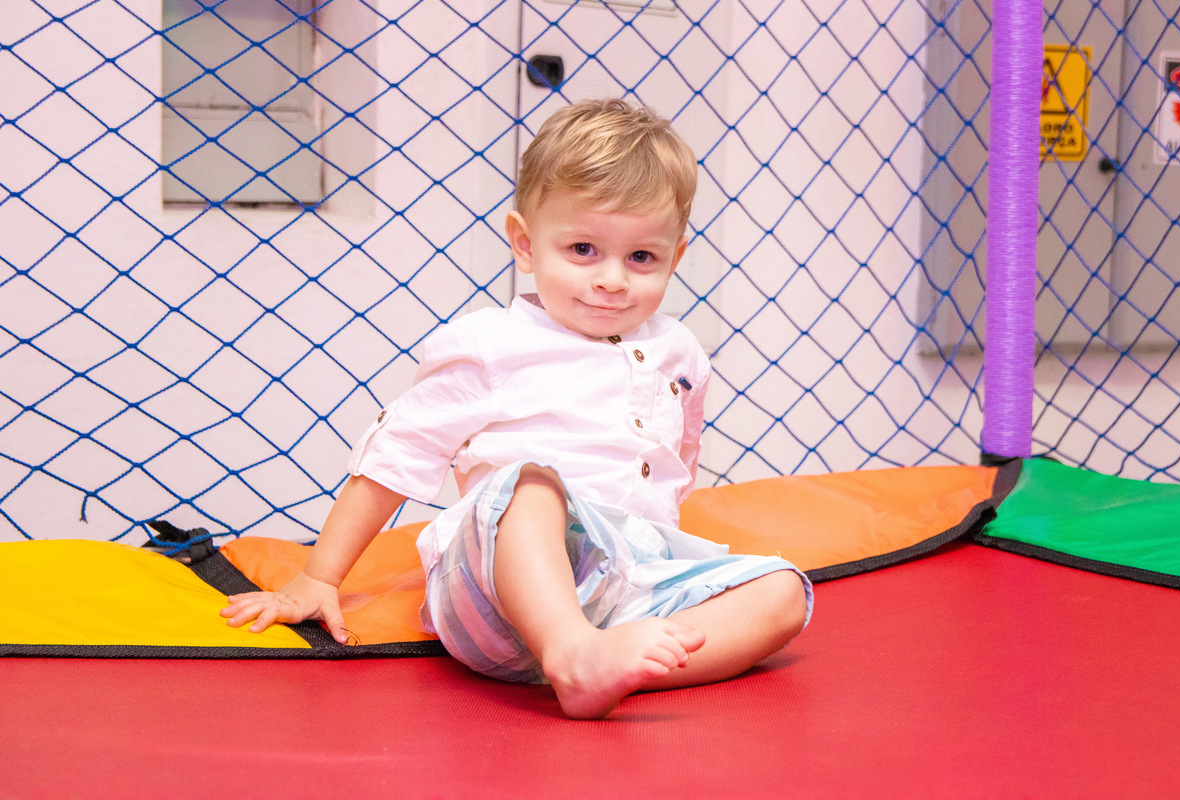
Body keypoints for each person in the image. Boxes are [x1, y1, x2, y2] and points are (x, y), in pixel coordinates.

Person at [221, 98, 813, 719]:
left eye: (641, 258)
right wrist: (320, 578)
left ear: (675, 257)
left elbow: (675, 463)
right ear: (526, 245)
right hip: (500, 601)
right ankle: (570, 651)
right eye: (583, 249)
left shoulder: (679, 350)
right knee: (532, 483)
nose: (612, 279)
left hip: (630, 586)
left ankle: (612, 664)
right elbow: (397, 455)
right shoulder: (490, 345)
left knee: (783, 593)